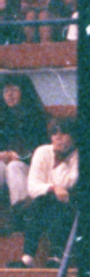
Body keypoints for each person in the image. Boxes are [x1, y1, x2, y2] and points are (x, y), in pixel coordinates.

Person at [10, 117, 75, 268]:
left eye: (63, 133)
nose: (58, 137)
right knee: (42, 201)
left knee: (55, 205)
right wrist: (53, 188)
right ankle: (28, 259)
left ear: (73, 137)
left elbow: (69, 182)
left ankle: (53, 257)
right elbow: (33, 187)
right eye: (54, 133)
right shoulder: (42, 151)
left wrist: (62, 157)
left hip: (69, 207)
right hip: (43, 205)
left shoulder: (78, 156)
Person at [0, 76, 47, 227]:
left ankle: (21, 216)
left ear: (24, 93)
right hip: (5, 164)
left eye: (14, 90)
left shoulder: (37, 118)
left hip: (29, 167)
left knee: (14, 167)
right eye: (6, 91)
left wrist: (20, 157)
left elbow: (42, 151)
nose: (9, 95)